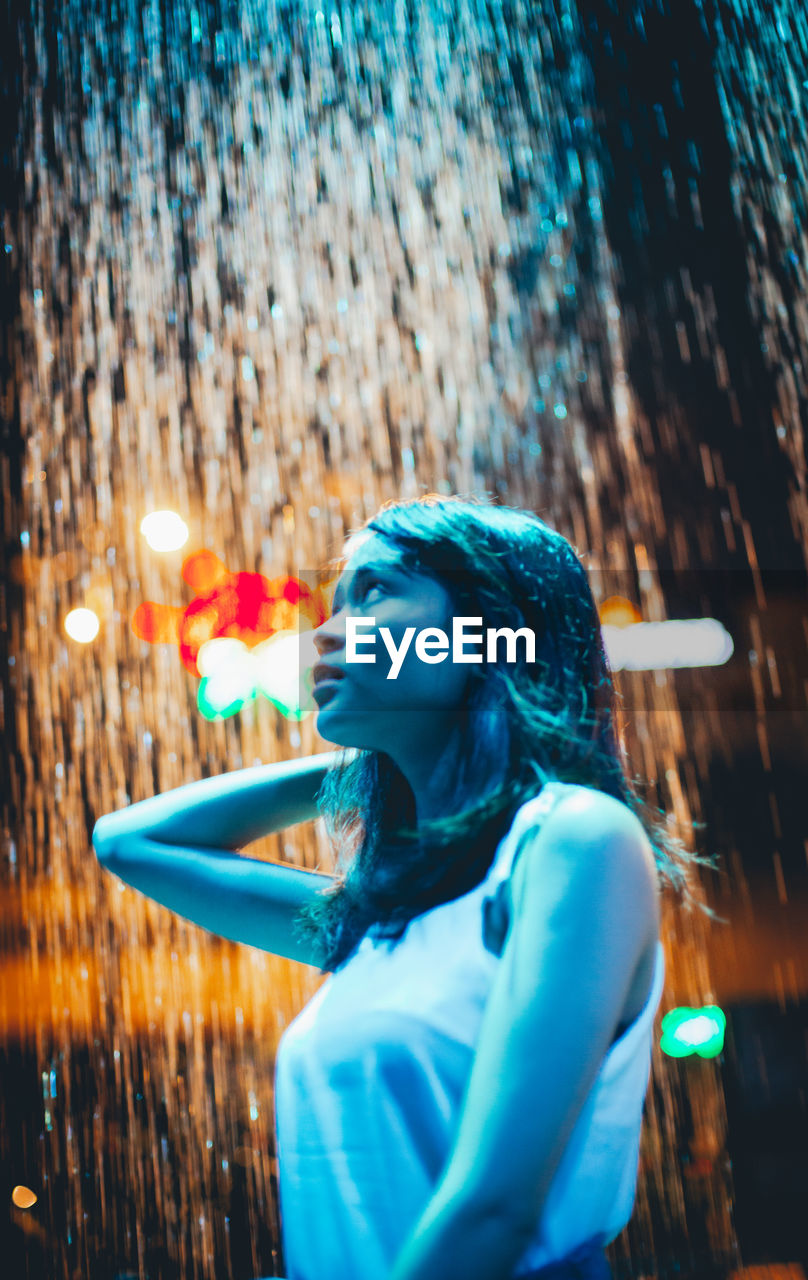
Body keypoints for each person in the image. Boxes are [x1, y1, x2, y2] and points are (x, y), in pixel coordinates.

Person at [93, 495, 701, 1280]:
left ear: (491, 631)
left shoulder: (574, 839)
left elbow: (494, 1208)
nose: (323, 629)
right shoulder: (381, 924)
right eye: (335, 601)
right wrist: (376, 758)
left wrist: (468, 721)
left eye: (373, 592)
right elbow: (130, 842)